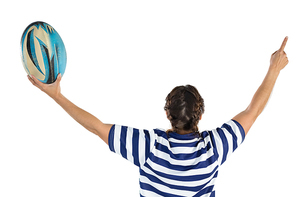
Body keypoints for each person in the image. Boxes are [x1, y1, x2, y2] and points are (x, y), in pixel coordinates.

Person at [28, 37, 289, 197]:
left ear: (167, 113)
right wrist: (274, 69)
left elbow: (96, 127)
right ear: (200, 114)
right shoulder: (215, 149)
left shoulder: (147, 147)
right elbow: (252, 112)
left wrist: (56, 95)